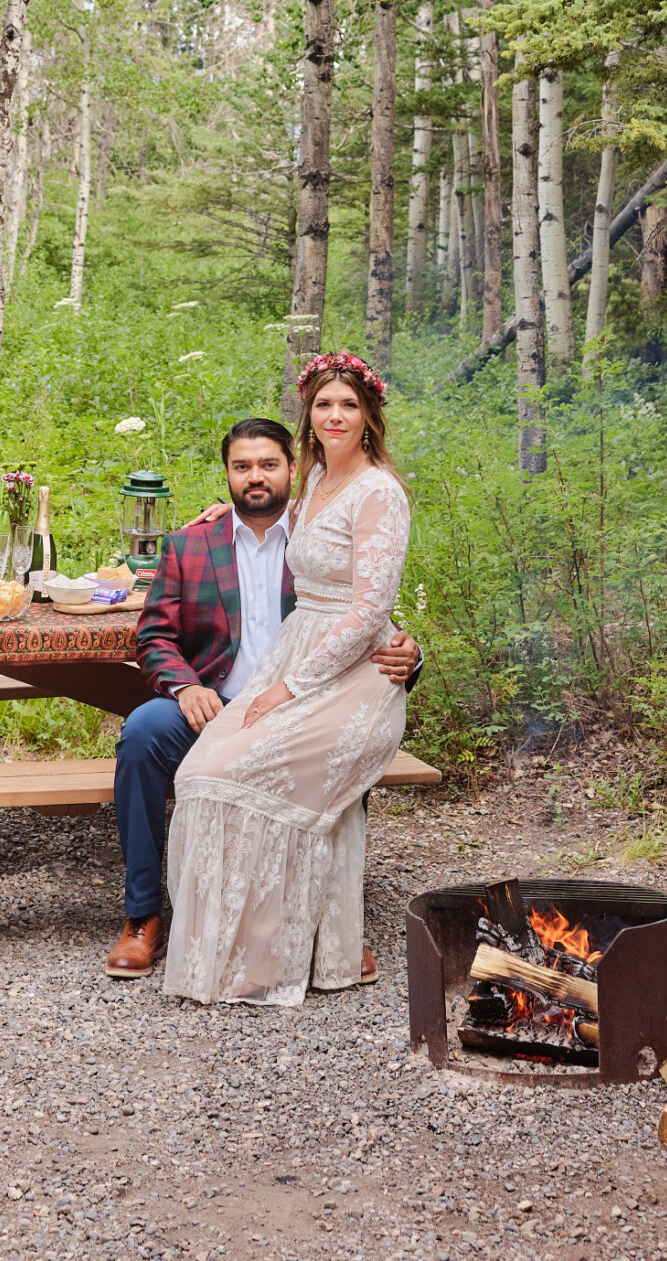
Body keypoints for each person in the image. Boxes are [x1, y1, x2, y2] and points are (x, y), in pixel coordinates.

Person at [105, 404, 420, 980]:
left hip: (302, 701)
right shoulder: (191, 544)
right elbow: (152, 635)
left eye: (269, 465)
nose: (256, 477)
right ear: (225, 474)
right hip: (214, 700)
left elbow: (367, 613)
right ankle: (143, 916)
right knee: (143, 736)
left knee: (332, 743)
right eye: (242, 466)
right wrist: (184, 686)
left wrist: (409, 652)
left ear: (293, 468)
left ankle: (326, 928)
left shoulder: (322, 529)